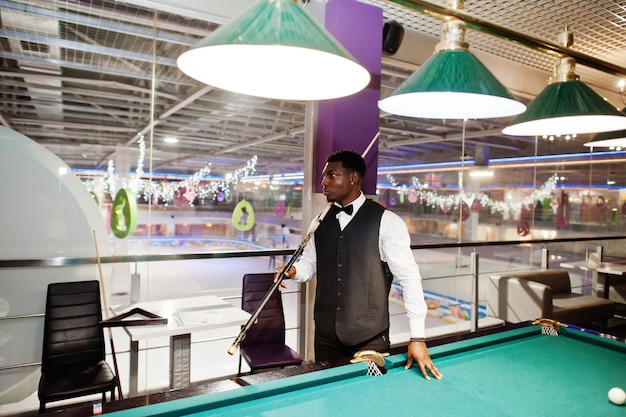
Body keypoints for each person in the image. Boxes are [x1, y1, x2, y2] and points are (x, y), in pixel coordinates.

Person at [277, 150, 442, 381]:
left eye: (332, 175)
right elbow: (309, 265)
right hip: (325, 338)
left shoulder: (388, 222)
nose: (324, 182)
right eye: (324, 176)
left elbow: (410, 278)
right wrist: (293, 272)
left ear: (353, 178)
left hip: (370, 340)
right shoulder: (318, 221)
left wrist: (417, 337)